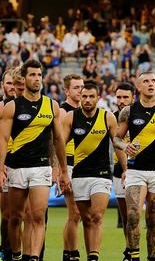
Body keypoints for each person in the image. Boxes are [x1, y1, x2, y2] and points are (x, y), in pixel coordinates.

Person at [0, 60, 70, 261]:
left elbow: (58, 140)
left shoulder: (51, 105)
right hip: (16, 167)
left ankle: (34, 257)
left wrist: (62, 169)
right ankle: (17, 255)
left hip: (41, 168)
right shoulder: (11, 107)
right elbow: (2, 140)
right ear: (25, 78)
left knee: (37, 216)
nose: (36, 79)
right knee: (15, 218)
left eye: (39, 75)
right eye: (32, 75)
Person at [113, 71, 155, 261]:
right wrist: (126, 146)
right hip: (135, 171)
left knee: (152, 220)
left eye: (154, 81)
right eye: (146, 81)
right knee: (133, 215)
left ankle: (152, 258)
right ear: (139, 87)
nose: (151, 84)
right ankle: (134, 257)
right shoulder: (129, 111)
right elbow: (117, 138)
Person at [62, 83, 124, 261]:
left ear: (98, 98)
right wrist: (59, 170)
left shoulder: (108, 118)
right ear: (80, 97)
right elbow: (60, 144)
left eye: (91, 96)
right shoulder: (71, 118)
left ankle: (94, 257)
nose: (87, 100)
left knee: (97, 216)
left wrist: (126, 167)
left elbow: (117, 143)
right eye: (84, 96)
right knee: (85, 219)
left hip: (102, 174)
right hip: (79, 174)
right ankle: (84, 255)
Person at [0, 69, 17, 261]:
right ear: (3, 85)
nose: (12, 87)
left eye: (15, 84)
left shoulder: (32, 105)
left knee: (34, 215)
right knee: (7, 214)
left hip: (30, 164)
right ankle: (6, 251)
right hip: (7, 165)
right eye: (8, 83)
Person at [59, 74, 84, 261]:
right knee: (74, 213)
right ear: (67, 90)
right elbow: (56, 142)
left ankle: (68, 253)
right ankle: (71, 253)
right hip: (68, 163)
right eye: (76, 87)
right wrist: (61, 170)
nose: (81, 91)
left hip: (85, 165)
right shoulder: (62, 112)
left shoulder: (87, 111)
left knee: (78, 215)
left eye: (82, 87)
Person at [112, 82, 135, 261]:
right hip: (119, 171)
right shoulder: (111, 118)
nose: (121, 101)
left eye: (125, 97)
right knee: (125, 216)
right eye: (119, 97)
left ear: (133, 98)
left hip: (140, 169)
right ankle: (129, 250)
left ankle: (135, 251)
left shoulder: (140, 115)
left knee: (136, 215)